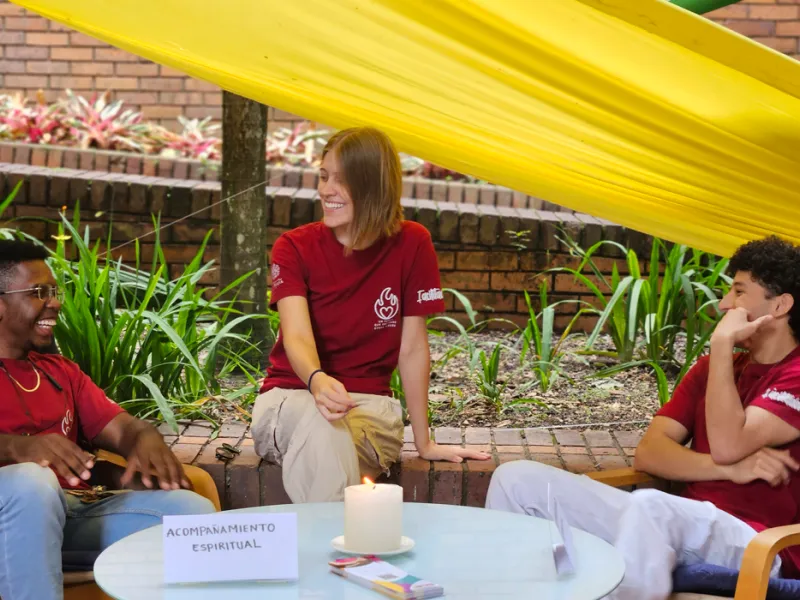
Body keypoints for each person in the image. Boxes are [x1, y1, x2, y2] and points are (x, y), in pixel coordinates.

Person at [485, 235, 800, 600]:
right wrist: (727, 470)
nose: (724, 304)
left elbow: (729, 444)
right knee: (517, 479)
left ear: (779, 305)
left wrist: (720, 342)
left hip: (756, 539)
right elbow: (650, 453)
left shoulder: (794, 373)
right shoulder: (718, 368)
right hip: (672, 522)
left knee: (651, 507)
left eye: (739, 292)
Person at [251, 127, 489, 503]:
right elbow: (295, 334)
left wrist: (424, 442)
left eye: (342, 181)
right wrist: (316, 381)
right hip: (290, 398)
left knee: (329, 435)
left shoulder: (413, 243)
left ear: (374, 187)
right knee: (323, 424)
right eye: (325, 176)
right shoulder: (293, 246)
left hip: (369, 407)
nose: (327, 189)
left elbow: (411, 350)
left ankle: (328, 552)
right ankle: (349, 552)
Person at [0, 240, 216, 600]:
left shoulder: (61, 372)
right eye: (39, 291)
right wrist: (18, 447)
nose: (54, 301)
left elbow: (123, 427)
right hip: (14, 509)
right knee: (32, 483)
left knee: (191, 512)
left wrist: (143, 437)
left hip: (69, 515)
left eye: (55, 290)